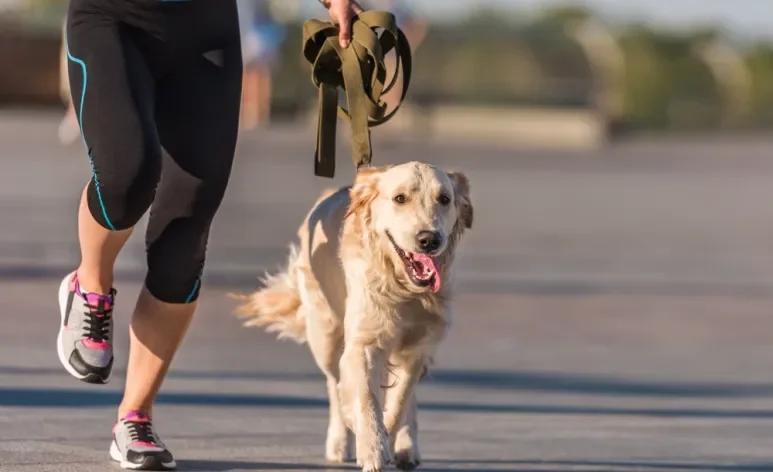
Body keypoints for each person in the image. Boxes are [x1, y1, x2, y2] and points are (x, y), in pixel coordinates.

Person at [56, 0, 361, 470]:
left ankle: (135, 416)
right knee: (128, 176)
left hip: (205, 32)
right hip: (111, 18)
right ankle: (90, 284)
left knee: (188, 226)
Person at [237, 0, 287, 130]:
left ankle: (255, 113)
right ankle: (255, 113)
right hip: (256, 33)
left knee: (255, 74)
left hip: (254, 34)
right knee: (254, 75)